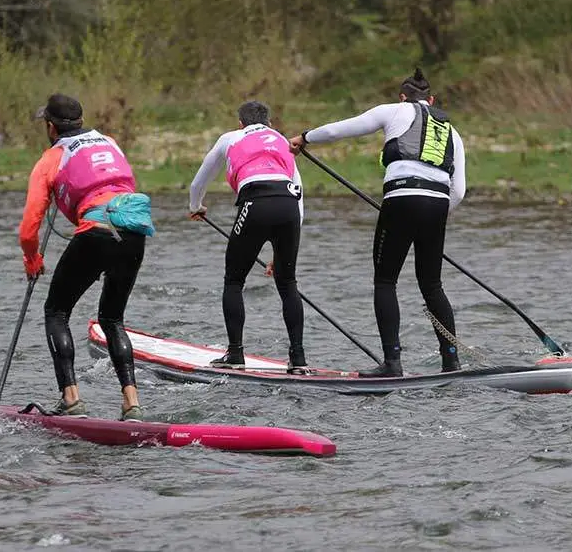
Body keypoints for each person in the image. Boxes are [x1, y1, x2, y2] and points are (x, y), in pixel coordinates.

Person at [289, 68, 466, 377]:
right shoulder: (454, 132)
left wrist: (305, 137)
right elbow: (459, 191)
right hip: (438, 205)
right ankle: (451, 361)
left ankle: (392, 364)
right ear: (432, 100)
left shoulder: (393, 110)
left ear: (403, 98)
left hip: (401, 199)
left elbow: (338, 130)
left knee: (386, 281)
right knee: (432, 284)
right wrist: (431, 217)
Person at [19, 94, 155, 420]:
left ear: (51, 127)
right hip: (134, 231)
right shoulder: (108, 141)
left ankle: (71, 398)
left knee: (56, 310)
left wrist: (32, 259)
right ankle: (131, 403)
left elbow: (28, 229)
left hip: (96, 232)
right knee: (112, 319)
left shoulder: (50, 159)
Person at [188, 100, 309, 374]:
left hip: (255, 205)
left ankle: (235, 354)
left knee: (234, 280)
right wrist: (281, 253)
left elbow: (199, 181)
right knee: (287, 283)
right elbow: (298, 190)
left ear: (240, 123)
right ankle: (298, 360)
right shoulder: (281, 139)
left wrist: (195, 207)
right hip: (289, 208)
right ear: (268, 123)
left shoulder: (230, 137)